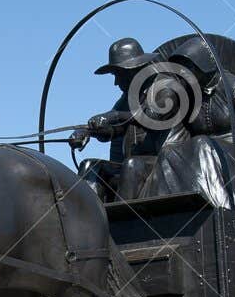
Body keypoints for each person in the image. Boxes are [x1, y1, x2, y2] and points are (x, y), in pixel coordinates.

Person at [147, 38, 235, 212]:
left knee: (202, 144)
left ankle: (234, 210)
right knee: (168, 152)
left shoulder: (231, 86)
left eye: (188, 68)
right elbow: (156, 114)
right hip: (205, 151)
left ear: (203, 65)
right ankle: (163, 212)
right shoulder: (188, 95)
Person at [67, 37, 165, 201]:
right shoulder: (127, 98)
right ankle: (87, 222)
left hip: (163, 162)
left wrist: (115, 116)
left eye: (118, 74)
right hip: (134, 165)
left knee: (132, 165)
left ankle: (122, 222)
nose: (115, 82)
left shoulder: (165, 87)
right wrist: (87, 131)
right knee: (90, 167)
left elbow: (152, 116)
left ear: (134, 69)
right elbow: (115, 128)